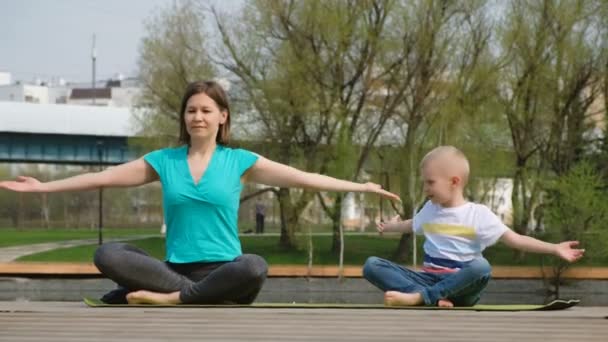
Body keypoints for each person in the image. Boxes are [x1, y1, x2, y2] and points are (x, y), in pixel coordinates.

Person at [0, 80, 400, 305]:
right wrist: (44, 187)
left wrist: (361, 185)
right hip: (175, 270)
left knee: (255, 265)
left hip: (228, 272)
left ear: (222, 117)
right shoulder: (165, 161)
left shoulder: (239, 160)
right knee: (106, 253)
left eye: (207, 110)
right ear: (184, 118)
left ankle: (169, 299)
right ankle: (186, 294)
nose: (198, 116)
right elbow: (104, 176)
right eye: (191, 110)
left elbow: (304, 177)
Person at [362, 146, 584, 307]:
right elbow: (413, 225)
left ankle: (421, 298)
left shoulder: (478, 215)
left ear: (454, 181)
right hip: (428, 278)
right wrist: (390, 227)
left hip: (461, 287)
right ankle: (431, 297)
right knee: (372, 265)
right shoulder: (429, 209)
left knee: (481, 267)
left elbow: (515, 239)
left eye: (430, 182)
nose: (425, 188)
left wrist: (554, 248)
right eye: (424, 182)